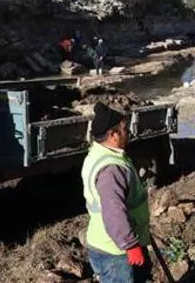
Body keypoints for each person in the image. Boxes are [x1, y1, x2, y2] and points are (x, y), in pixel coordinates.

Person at [82, 102, 152, 282]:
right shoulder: (111, 169)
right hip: (114, 251)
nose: (128, 133)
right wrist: (129, 245)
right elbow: (114, 212)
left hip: (107, 243)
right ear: (113, 135)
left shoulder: (98, 154)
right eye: (124, 129)